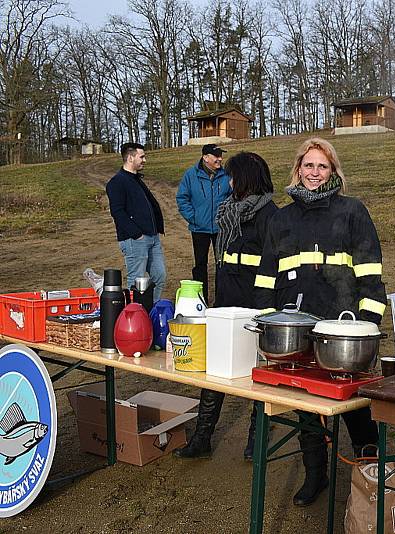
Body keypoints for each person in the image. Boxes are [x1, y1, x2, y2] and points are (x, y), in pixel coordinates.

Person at [254, 138, 387, 507]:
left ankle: (371, 475)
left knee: (356, 407)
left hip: (343, 328)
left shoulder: (351, 211)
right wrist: (268, 321)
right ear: (298, 169)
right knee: (307, 407)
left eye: (322, 166)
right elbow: (266, 277)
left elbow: (371, 273)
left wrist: (366, 326)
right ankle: (316, 475)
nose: (314, 173)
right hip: (296, 328)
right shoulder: (281, 218)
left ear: (333, 172)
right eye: (308, 166)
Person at [174, 152, 278, 460]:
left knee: (259, 375)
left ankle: (256, 442)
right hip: (226, 304)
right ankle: (202, 436)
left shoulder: (271, 216)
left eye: (233, 176)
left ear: (246, 178)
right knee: (215, 371)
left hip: (256, 309)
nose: (228, 181)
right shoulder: (229, 212)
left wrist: (265, 310)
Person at [106, 142, 167, 300]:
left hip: (153, 237)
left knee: (159, 277)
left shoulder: (136, 180)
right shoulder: (117, 182)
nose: (145, 160)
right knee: (135, 282)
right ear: (131, 158)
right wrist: (136, 234)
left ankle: (150, 312)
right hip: (135, 240)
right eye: (142, 156)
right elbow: (117, 212)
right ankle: (133, 317)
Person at [176, 143, 232, 304]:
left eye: (221, 155)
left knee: (222, 264)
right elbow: (182, 198)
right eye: (216, 156)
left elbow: (233, 196)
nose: (220, 159)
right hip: (199, 228)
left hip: (221, 228)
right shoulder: (190, 175)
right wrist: (193, 218)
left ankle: (221, 301)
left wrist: (226, 217)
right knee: (200, 265)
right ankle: (201, 300)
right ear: (205, 157)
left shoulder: (227, 174)